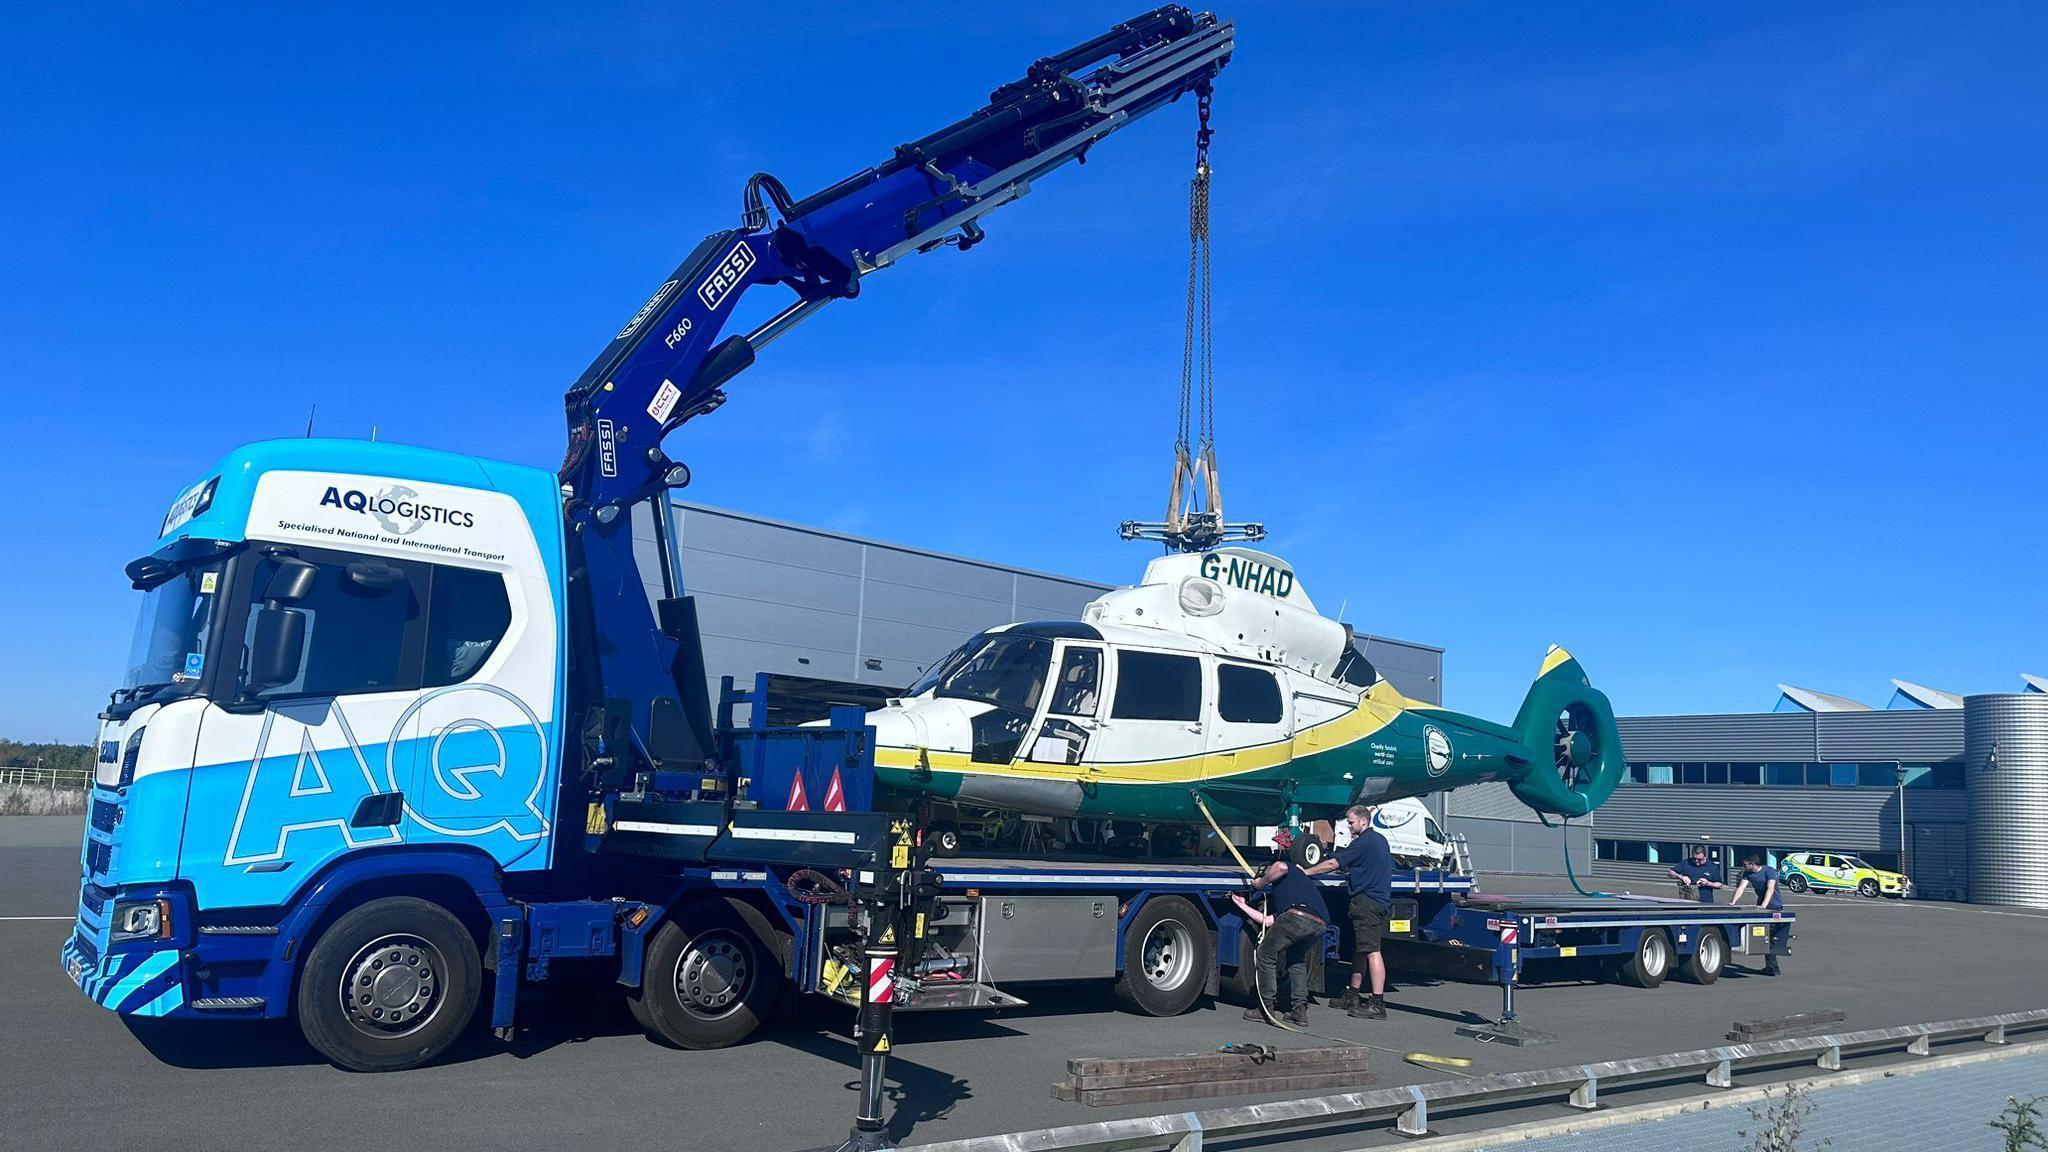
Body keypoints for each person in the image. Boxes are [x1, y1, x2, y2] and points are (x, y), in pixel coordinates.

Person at [1307, 804, 1390, 1019]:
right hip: (1373, 901)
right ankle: (1353, 994)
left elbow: (1333, 863)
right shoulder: (1379, 840)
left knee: (1372, 951)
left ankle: (1377, 1004)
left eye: (1351, 821)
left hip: (1367, 902)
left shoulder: (1363, 843)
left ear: (1363, 821)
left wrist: (1306, 872)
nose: (1349, 825)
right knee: (1360, 950)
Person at [1229, 854, 1326, 1027]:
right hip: (1319, 923)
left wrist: (1261, 883)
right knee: (1296, 960)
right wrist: (1243, 905)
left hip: (1296, 916)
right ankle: (1299, 1011)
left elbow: (1280, 867)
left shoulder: (1287, 868)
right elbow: (1267, 921)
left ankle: (1265, 1008)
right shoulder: (1294, 888)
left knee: (1265, 954)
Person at [1727, 854, 1788, 976]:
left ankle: (1772, 968)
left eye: (1746, 864)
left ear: (1752, 864)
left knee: (1770, 937)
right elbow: (1741, 888)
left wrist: (1764, 906)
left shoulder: (1769, 871)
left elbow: (1770, 889)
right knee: (1764, 936)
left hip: (1774, 906)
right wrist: (1732, 903)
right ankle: (1771, 967)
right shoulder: (1747, 874)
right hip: (1761, 905)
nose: (1744, 866)